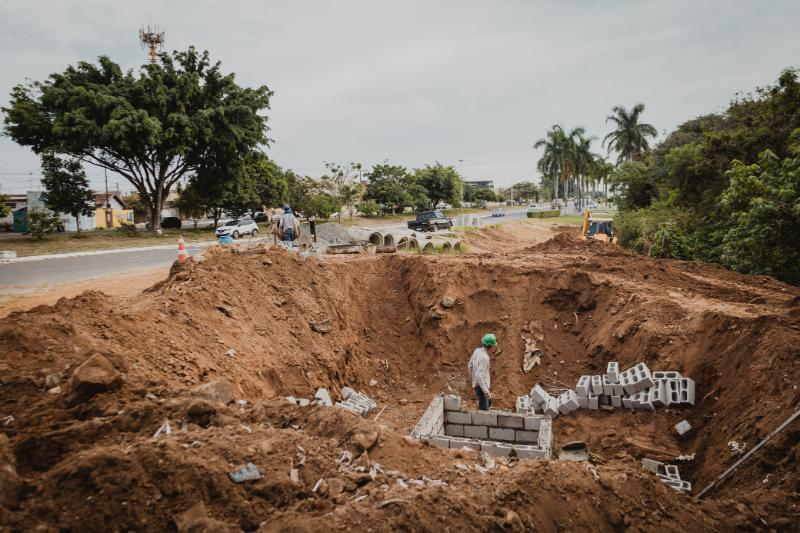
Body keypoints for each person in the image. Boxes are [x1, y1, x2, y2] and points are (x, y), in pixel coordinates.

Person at [468, 333, 498, 411]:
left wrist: (473, 380)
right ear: (491, 346)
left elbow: (470, 366)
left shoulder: (477, 351)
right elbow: (479, 375)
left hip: (479, 385)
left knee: (489, 402)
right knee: (484, 411)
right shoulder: (485, 358)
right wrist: (486, 392)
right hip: (481, 387)